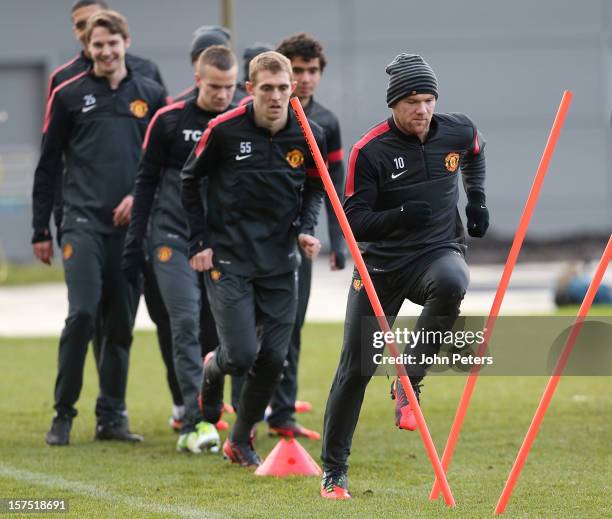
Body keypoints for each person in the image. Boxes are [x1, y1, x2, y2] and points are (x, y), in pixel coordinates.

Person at [319, 53, 488, 499]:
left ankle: (409, 380)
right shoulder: (368, 151)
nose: (422, 109)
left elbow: (475, 151)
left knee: (454, 282)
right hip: (381, 267)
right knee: (356, 369)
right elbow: (352, 221)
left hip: (436, 252)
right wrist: (397, 215)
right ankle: (334, 471)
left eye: (429, 99)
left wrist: (477, 200)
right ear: (394, 104)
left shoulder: (456, 129)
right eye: (413, 100)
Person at [181, 51, 327, 467]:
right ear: (250, 90)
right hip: (230, 260)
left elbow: (316, 187)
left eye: (284, 88)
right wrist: (199, 242)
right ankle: (213, 369)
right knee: (241, 355)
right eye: (267, 88)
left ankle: (240, 439)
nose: (277, 96)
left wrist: (306, 227)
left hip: (282, 263)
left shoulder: (307, 133)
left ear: (293, 89)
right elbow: (189, 181)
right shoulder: (224, 130)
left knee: (274, 359)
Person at [45, 0, 182, 432]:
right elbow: (49, 164)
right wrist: (40, 227)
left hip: (130, 230)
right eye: (96, 44)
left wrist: (137, 198)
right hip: (81, 222)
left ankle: (111, 418)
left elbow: (168, 163)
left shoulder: (151, 94)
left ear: (127, 43)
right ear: (87, 46)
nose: (104, 51)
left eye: (111, 43)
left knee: (121, 325)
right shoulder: (67, 95)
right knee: (83, 314)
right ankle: (63, 415)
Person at [123, 45, 239, 453]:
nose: (223, 95)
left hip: (220, 243)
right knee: (185, 323)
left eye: (229, 87)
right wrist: (135, 241)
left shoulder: (241, 121)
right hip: (170, 238)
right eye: (214, 87)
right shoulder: (169, 120)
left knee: (218, 333)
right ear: (197, 80)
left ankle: (224, 410)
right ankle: (196, 422)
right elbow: (145, 182)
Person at [264, 33, 346, 440]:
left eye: (312, 71)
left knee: (291, 324)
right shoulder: (262, 115)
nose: (305, 78)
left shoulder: (326, 124)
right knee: (254, 328)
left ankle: (282, 413)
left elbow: (332, 185)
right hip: (255, 239)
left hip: (302, 239)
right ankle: (243, 406)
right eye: (297, 70)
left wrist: (339, 242)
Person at [173, 25, 231, 102]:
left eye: (215, 58)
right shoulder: (179, 105)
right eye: (203, 59)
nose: (221, 95)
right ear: (194, 63)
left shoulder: (244, 102)